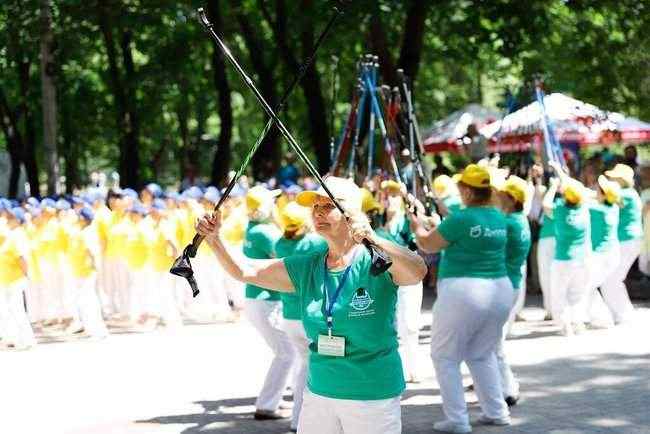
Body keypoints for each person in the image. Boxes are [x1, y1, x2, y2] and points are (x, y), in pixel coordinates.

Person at [196, 176, 427, 434]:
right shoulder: (307, 264)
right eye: (315, 207)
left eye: (328, 206)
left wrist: (372, 238)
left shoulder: (376, 259)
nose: (318, 212)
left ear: (352, 213)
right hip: (319, 392)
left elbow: (418, 271)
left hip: (371, 395)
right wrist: (215, 239)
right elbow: (245, 271)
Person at [410, 164, 512, 433]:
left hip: (464, 290)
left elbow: (427, 244)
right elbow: (458, 225)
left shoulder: (462, 220)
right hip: (500, 289)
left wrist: (417, 226)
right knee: (482, 354)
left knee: (444, 356)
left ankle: (457, 420)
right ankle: (496, 412)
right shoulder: (498, 216)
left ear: (466, 190)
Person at [241, 185, 295, 420]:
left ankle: (273, 399)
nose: (275, 204)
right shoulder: (264, 231)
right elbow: (287, 255)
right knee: (287, 353)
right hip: (266, 300)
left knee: (284, 352)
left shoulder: (253, 228)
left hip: (258, 299)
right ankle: (266, 405)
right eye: (271, 201)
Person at [274, 201, 327, 431]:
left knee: (303, 367)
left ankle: (300, 421)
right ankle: (301, 422)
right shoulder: (314, 242)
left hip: (289, 316)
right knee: (310, 371)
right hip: (308, 317)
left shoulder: (279, 243)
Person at [376, 180, 423, 384]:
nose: (390, 199)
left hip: (408, 279)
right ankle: (396, 368)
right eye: (386, 195)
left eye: (394, 195)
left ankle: (414, 368)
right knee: (389, 324)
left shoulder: (408, 221)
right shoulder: (375, 221)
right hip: (384, 280)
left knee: (410, 325)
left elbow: (425, 220)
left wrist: (409, 197)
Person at [494, 175, 532, 406]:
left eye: (501, 194)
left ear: (511, 198)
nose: (497, 197)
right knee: (493, 341)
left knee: (494, 343)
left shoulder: (508, 223)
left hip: (505, 286)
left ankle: (508, 389)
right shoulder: (519, 218)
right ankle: (495, 382)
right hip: (511, 284)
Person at [543, 166, 590, 336]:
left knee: (559, 293)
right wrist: (561, 172)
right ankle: (578, 322)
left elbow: (545, 204)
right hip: (581, 259)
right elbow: (574, 187)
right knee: (577, 293)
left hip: (562, 259)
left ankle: (565, 325)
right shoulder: (585, 208)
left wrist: (554, 186)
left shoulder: (560, 209)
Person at [601, 164, 643, 323]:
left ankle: (623, 315)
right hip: (628, 241)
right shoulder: (628, 193)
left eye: (613, 177)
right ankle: (624, 314)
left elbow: (603, 198)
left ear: (621, 179)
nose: (610, 179)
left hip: (627, 241)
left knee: (610, 280)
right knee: (612, 279)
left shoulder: (626, 194)